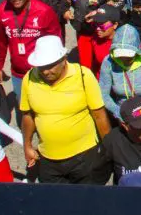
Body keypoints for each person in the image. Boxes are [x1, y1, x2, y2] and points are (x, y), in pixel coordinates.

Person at [20, 35, 111, 184]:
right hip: (48, 159)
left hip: (84, 157)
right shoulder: (29, 79)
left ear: (64, 59)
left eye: (51, 66)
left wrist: (108, 150)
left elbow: (99, 115)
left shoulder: (83, 76)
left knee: (87, 200)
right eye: (42, 67)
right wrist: (27, 145)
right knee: (56, 204)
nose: (46, 71)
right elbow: (28, 116)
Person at [0, 0, 62, 103]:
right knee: (24, 108)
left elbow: (56, 43)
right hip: (18, 74)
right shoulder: (2, 11)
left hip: (42, 72)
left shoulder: (44, 11)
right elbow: (0, 42)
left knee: (44, 107)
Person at [98, 24, 141, 121]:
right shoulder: (108, 62)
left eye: (128, 56)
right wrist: (118, 113)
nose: (124, 59)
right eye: (120, 56)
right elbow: (103, 94)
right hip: (122, 113)